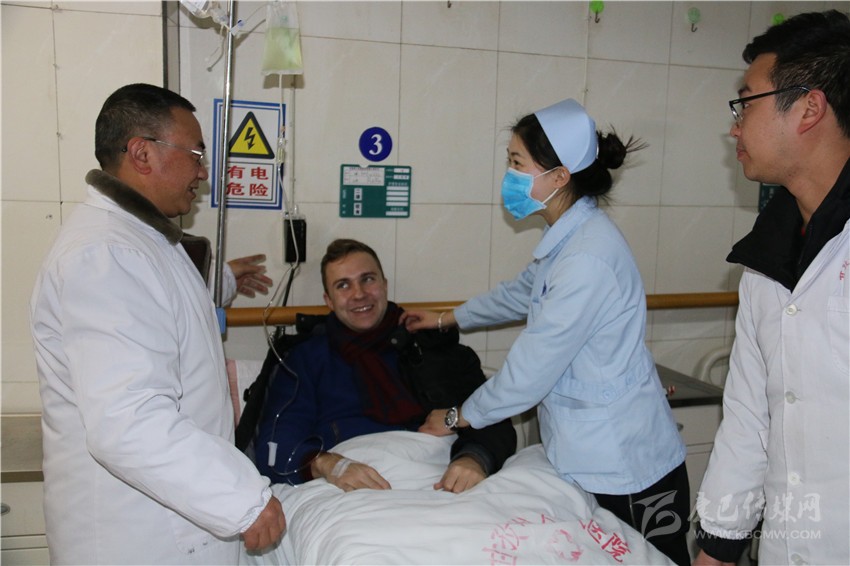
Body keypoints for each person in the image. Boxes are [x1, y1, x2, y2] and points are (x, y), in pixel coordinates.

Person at [404, 98, 690, 565]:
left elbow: (528, 374)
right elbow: (522, 292)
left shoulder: (587, 258)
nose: (509, 175)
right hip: (587, 455)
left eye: (518, 164)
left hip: (628, 467)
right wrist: (448, 318)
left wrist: (456, 417)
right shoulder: (569, 236)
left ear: (559, 177)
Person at [29, 83, 286, 564]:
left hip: (165, 527)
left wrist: (226, 280)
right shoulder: (106, 255)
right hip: (139, 537)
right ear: (142, 153)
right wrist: (240, 499)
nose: (203, 172)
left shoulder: (143, 241)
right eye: (195, 155)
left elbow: (174, 310)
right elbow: (128, 419)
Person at [692, 11, 850, 566]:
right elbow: (748, 415)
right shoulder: (767, 256)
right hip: (789, 544)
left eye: (746, 104)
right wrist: (718, 546)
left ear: (809, 107)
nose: (734, 127)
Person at [252, 238, 516, 493]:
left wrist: (474, 458)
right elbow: (275, 446)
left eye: (368, 279)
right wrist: (328, 464)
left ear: (385, 285)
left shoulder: (431, 346)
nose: (359, 294)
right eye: (343, 285)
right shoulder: (304, 361)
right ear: (329, 300)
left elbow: (492, 416)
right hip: (349, 480)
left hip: (440, 472)